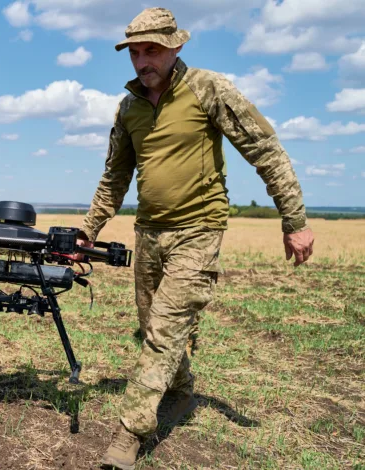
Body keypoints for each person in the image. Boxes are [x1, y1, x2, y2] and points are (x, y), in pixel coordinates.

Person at [75, 8, 315, 469]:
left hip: (199, 232)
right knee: (155, 328)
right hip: (149, 234)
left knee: (164, 332)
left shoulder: (208, 88)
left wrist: (295, 220)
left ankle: (130, 432)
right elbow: (114, 178)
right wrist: (87, 231)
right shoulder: (128, 107)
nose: (143, 61)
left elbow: (264, 151)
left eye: (153, 50)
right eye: (135, 52)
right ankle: (182, 393)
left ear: (176, 46)